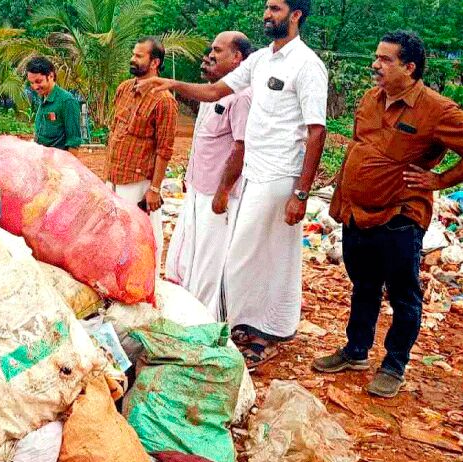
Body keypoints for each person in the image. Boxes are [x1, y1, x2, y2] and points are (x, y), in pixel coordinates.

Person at [138, 0, 327, 367]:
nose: (266, 14)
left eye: (274, 8)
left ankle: (241, 329)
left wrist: (301, 193)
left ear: (296, 15)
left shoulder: (307, 65)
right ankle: (260, 328)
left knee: (242, 257)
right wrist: (172, 83)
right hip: (255, 172)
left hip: (280, 175)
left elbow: (316, 131)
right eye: (267, 8)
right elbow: (215, 92)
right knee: (263, 256)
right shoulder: (261, 61)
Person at [313, 31, 463, 398]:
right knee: (363, 283)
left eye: (385, 60)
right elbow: (360, 144)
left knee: (403, 295)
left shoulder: (437, 109)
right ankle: (356, 351)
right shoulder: (369, 99)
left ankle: (394, 365)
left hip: (400, 215)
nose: (375, 65)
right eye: (376, 57)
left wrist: (439, 179)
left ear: (410, 67)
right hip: (356, 212)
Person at [165, 32, 253, 319]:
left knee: (210, 262)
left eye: (217, 50)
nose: (210, 56)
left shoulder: (241, 97)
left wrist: (223, 192)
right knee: (191, 254)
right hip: (197, 188)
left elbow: (241, 147)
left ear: (237, 57)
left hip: (217, 194)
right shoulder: (210, 94)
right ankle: (187, 312)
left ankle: (204, 320)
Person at [105, 36, 178, 267]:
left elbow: (164, 149)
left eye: (138, 56)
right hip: (114, 176)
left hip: (138, 182)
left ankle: (149, 283)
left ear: (154, 62)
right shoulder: (124, 89)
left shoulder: (164, 100)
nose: (132, 59)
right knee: (114, 235)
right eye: (133, 54)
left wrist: (154, 189)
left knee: (142, 237)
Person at [25, 57, 82, 154]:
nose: (35, 87)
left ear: (51, 76)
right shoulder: (43, 98)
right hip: (42, 162)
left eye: (38, 81)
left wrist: (65, 168)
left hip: (57, 165)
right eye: (31, 83)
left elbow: (73, 143)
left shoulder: (67, 101)